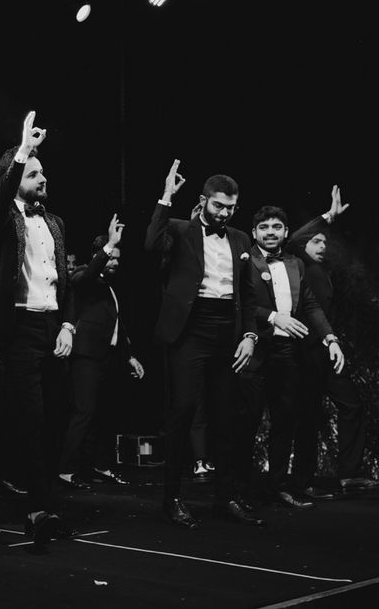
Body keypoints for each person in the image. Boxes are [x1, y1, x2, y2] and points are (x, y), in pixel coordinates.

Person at [144, 160, 260, 528]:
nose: (224, 213)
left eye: (230, 207)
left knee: (227, 418)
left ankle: (224, 499)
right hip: (189, 331)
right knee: (182, 413)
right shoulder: (180, 230)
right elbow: (149, 245)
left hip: (228, 329)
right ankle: (172, 499)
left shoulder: (241, 239)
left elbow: (248, 294)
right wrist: (165, 197)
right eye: (217, 205)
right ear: (203, 201)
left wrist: (250, 335)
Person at [0, 111, 75, 550]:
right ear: (13, 177)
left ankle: (47, 501)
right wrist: (22, 150)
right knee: (32, 419)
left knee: (55, 417)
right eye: (33, 173)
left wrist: (68, 326)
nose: (43, 178)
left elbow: (65, 281)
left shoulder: (54, 222)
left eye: (42, 172)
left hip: (52, 325)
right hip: (18, 327)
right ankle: (40, 509)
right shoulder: (1, 215)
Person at [234, 205, 344, 509]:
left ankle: (278, 486)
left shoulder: (296, 263)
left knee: (284, 421)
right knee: (248, 420)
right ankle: (238, 490)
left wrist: (330, 337)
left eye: (277, 227)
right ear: (254, 232)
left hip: (286, 352)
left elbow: (310, 305)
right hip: (254, 350)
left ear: (285, 232)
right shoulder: (245, 261)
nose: (271, 232)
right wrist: (272, 317)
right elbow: (237, 302)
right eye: (264, 227)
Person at [287, 187, 375, 495]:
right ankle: (302, 482)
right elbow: (296, 238)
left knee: (352, 404)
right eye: (316, 241)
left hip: (326, 353)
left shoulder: (323, 273)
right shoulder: (298, 264)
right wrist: (328, 217)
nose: (322, 245)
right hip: (305, 354)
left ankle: (349, 474)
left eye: (325, 241)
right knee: (308, 416)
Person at [57, 217, 144, 490]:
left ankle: (99, 465)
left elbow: (118, 325)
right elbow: (83, 279)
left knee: (106, 414)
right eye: (110, 258)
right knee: (83, 412)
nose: (115, 263)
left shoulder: (110, 287)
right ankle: (65, 470)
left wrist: (129, 355)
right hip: (86, 356)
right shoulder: (85, 275)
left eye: (117, 258)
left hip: (109, 357)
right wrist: (109, 246)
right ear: (98, 255)